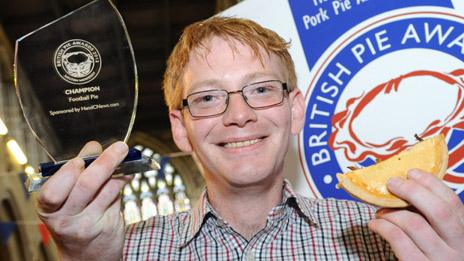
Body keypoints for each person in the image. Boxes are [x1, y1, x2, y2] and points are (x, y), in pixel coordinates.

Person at [36, 16, 464, 260]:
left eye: (261, 89)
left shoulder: (385, 239)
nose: (239, 115)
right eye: (207, 98)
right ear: (180, 128)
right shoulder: (123, 253)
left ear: (294, 109)